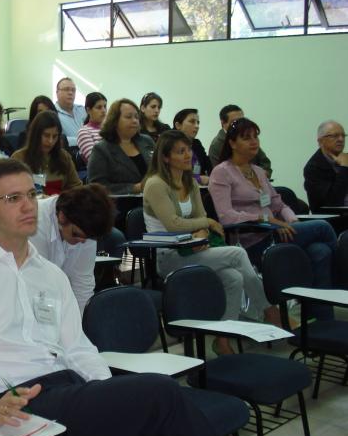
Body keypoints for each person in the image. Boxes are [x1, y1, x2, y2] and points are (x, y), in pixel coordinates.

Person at [0, 158, 256, 436]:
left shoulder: (50, 276)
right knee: (161, 392)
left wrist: (109, 400)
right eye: (12, 199)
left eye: (30, 195)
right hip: (16, 409)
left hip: (69, 399)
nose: (27, 206)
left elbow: (78, 349)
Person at [143, 130, 282, 355]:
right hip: (168, 257)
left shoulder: (190, 182)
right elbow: (173, 224)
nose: (189, 155)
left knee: (234, 278)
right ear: (166, 158)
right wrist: (204, 224)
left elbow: (200, 219)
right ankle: (268, 309)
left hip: (194, 249)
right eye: (181, 152)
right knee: (237, 255)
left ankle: (222, 339)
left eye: (188, 150)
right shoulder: (155, 184)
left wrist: (200, 231)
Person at [209, 118, 337, 322]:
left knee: (320, 252)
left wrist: (291, 221)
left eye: (255, 137)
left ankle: (323, 321)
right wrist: (265, 219)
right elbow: (226, 216)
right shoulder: (222, 172)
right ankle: (341, 284)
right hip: (253, 240)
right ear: (232, 143)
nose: (254, 142)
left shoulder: (258, 172)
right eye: (246, 138)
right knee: (323, 228)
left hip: (276, 232)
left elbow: (279, 204)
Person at [30, 183, 116, 314]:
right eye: (76, 235)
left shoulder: (85, 229)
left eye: (87, 238)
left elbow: (83, 285)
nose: (82, 242)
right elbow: (37, 285)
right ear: (62, 216)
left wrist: (80, 328)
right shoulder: (34, 224)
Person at [88, 98, 155, 195]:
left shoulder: (146, 141)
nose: (135, 121)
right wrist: (134, 188)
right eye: (128, 117)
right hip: (121, 205)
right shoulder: (101, 149)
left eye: (136, 117)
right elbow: (97, 187)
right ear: (114, 121)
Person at [11, 110, 81, 195]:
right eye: (46, 135)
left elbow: (77, 187)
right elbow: (13, 191)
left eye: (55, 136)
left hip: (61, 205)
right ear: (36, 135)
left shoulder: (64, 157)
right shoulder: (19, 158)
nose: (50, 141)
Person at [208, 104, 272, 176]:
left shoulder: (251, 140)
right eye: (235, 122)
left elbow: (265, 163)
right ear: (223, 123)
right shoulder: (216, 145)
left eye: (242, 121)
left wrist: (261, 176)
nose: (240, 125)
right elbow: (220, 174)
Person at [303, 120, 348, 213]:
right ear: (320, 141)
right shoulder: (313, 167)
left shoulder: (345, 159)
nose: (341, 139)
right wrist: (344, 168)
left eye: (343, 135)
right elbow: (332, 201)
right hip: (336, 219)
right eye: (334, 136)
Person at [172, 108, 212, 185]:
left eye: (198, 123)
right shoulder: (171, 145)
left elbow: (208, 166)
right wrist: (198, 179)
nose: (197, 126)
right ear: (178, 125)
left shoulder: (197, 144)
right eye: (192, 122)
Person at [76, 92, 107, 163]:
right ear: (88, 110)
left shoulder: (111, 129)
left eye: (105, 106)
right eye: (99, 107)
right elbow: (95, 161)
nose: (103, 110)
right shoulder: (84, 132)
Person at [54, 77, 86, 144]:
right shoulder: (52, 113)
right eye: (66, 89)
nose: (70, 93)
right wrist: (84, 141)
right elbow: (57, 139)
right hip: (67, 152)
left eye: (73, 90)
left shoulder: (83, 110)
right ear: (57, 92)